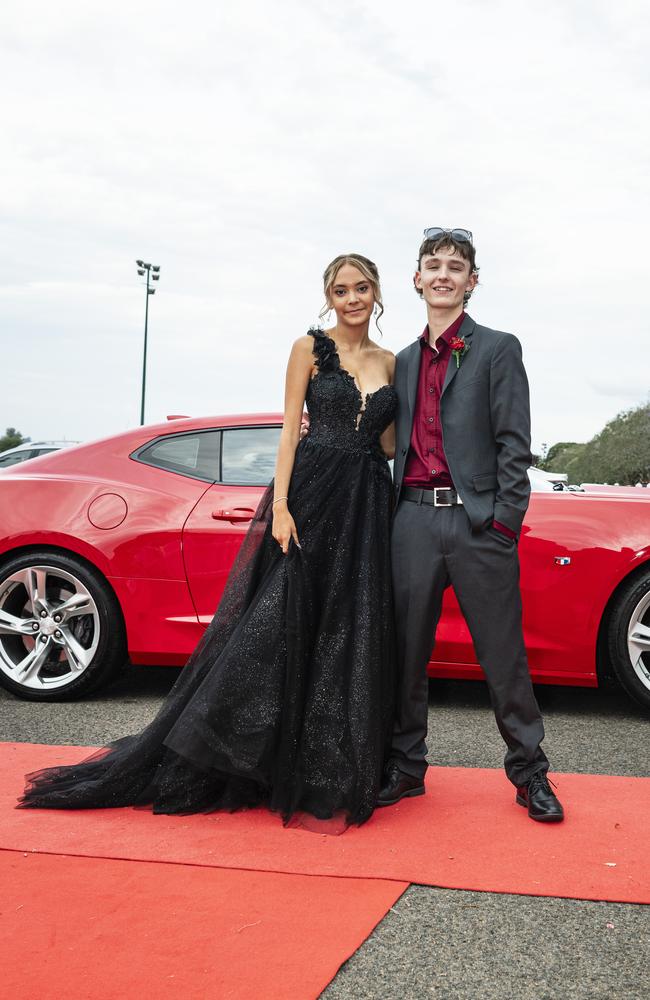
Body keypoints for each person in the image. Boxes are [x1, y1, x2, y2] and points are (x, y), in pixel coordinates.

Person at [18, 253, 397, 827]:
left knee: (345, 630)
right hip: (315, 497)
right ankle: (226, 757)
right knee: (274, 631)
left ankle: (326, 765)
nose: (352, 298)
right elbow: (290, 436)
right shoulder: (309, 349)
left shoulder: (390, 361)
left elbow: (390, 445)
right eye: (341, 290)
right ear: (328, 297)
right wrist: (284, 510)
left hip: (366, 502)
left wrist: (383, 424)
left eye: (361, 288)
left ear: (376, 293)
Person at [378, 228, 564, 823]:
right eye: (433, 264)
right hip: (409, 522)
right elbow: (381, 442)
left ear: (471, 282)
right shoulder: (400, 362)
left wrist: (505, 523)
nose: (443, 274)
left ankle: (530, 772)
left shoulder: (497, 348)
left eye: (455, 267)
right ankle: (406, 768)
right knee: (405, 654)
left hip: (477, 524)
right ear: (416, 278)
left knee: (503, 656)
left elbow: (515, 444)